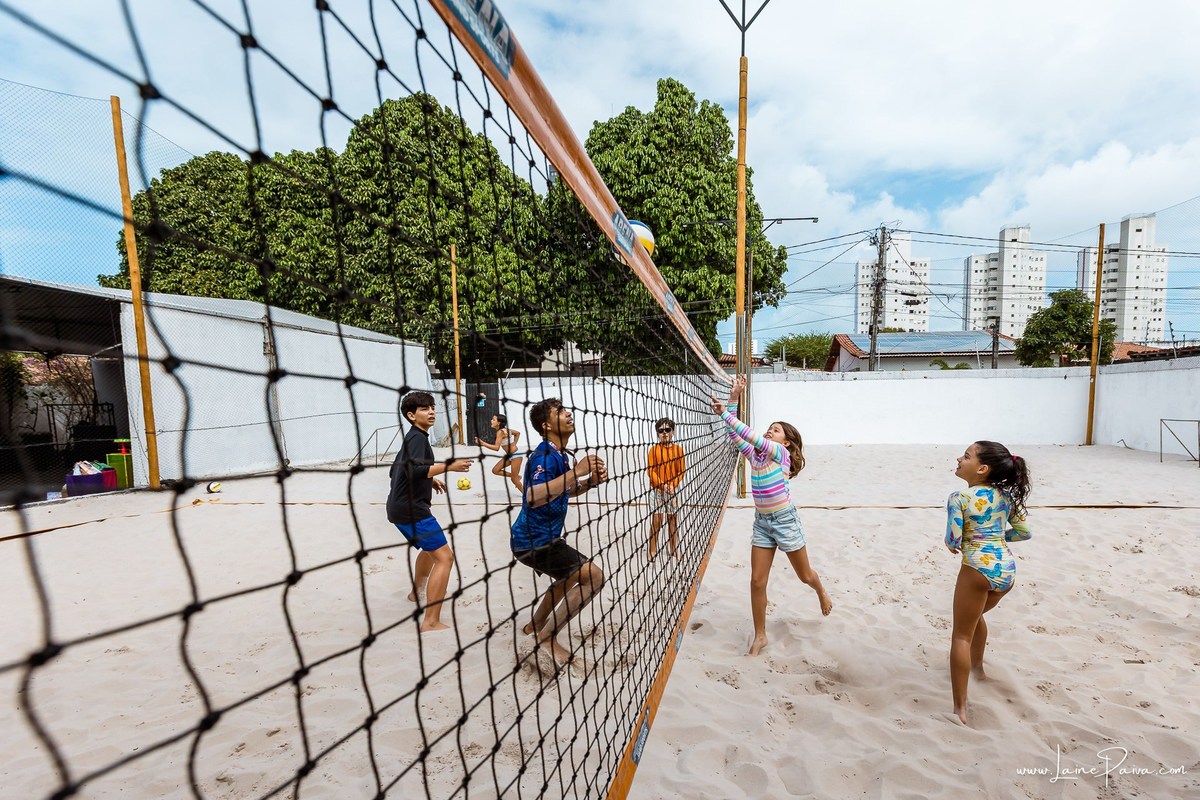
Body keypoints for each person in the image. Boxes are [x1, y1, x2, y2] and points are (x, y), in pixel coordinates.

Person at [712, 376, 832, 656]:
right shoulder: (756, 458)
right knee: (756, 581)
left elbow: (750, 434)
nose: (768, 432)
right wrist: (733, 397)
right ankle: (761, 635)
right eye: (769, 428)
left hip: (785, 521)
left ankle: (820, 590)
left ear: (786, 442)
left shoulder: (780, 454)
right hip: (763, 523)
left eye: (775, 430)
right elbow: (737, 436)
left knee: (804, 576)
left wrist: (728, 413)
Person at [510, 398, 607, 666]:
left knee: (567, 576)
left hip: (544, 538)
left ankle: (534, 625)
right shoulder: (542, 456)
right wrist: (577, 471)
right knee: (594, 577)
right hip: (533, 541)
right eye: (560, 412)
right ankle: (547, 636)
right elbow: (532, 496)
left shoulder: (559, 455)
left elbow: (561, 490)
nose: (568, 413)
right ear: (546, 425)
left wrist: (588, 483)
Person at [945, 441, 1032, 725]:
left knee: (961, 635)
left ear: (982, 469)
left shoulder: (959, 498)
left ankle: (960, 709)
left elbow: (953, 540)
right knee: (976, 616)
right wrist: (996, 537)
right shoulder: (1006, 496)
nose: (959, 458)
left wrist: (968, 541)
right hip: (1006, 572)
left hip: (977, 570)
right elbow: (1024, 532)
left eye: (966, 456)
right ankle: (978, 669)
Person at [386, 391, 472, 632]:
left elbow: (396, 471)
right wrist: (449, 467)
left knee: (429, 550)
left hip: (399, 507)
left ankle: (416, 593)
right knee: (445, 557)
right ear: (411, 415)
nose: (431, 411)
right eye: (424, 409)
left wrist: (430, 480)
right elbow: (413, 471)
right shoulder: (417, 439)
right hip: (412, 510)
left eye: (432, 407)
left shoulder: (414, 438)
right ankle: (431, 621)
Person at [646, 417, 685, 561]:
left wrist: (672, 485)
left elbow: (682, 471)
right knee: (657, 521)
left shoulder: (678, 450)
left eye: (667, 430)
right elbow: (650, 471)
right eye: (661, 430)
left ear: (673, 432)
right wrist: (663, 485)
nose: (664, 433)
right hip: (657, 490)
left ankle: (673, 550)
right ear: (657, 433)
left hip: (673, 491)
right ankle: (652, 550)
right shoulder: (653, 450)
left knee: (673, 521)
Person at [475, 413, 524, 492]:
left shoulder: (500, 432)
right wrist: (514, 444)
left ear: (498, 423)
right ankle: (516, 476)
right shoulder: (505, 430)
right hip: (509, 455)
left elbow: (496, 448)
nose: (491, 421)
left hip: (516, 455)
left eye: (493, 420)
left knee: (514, 480)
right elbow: (517, 433)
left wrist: (483, 443)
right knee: (495, 470)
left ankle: (527, 497)